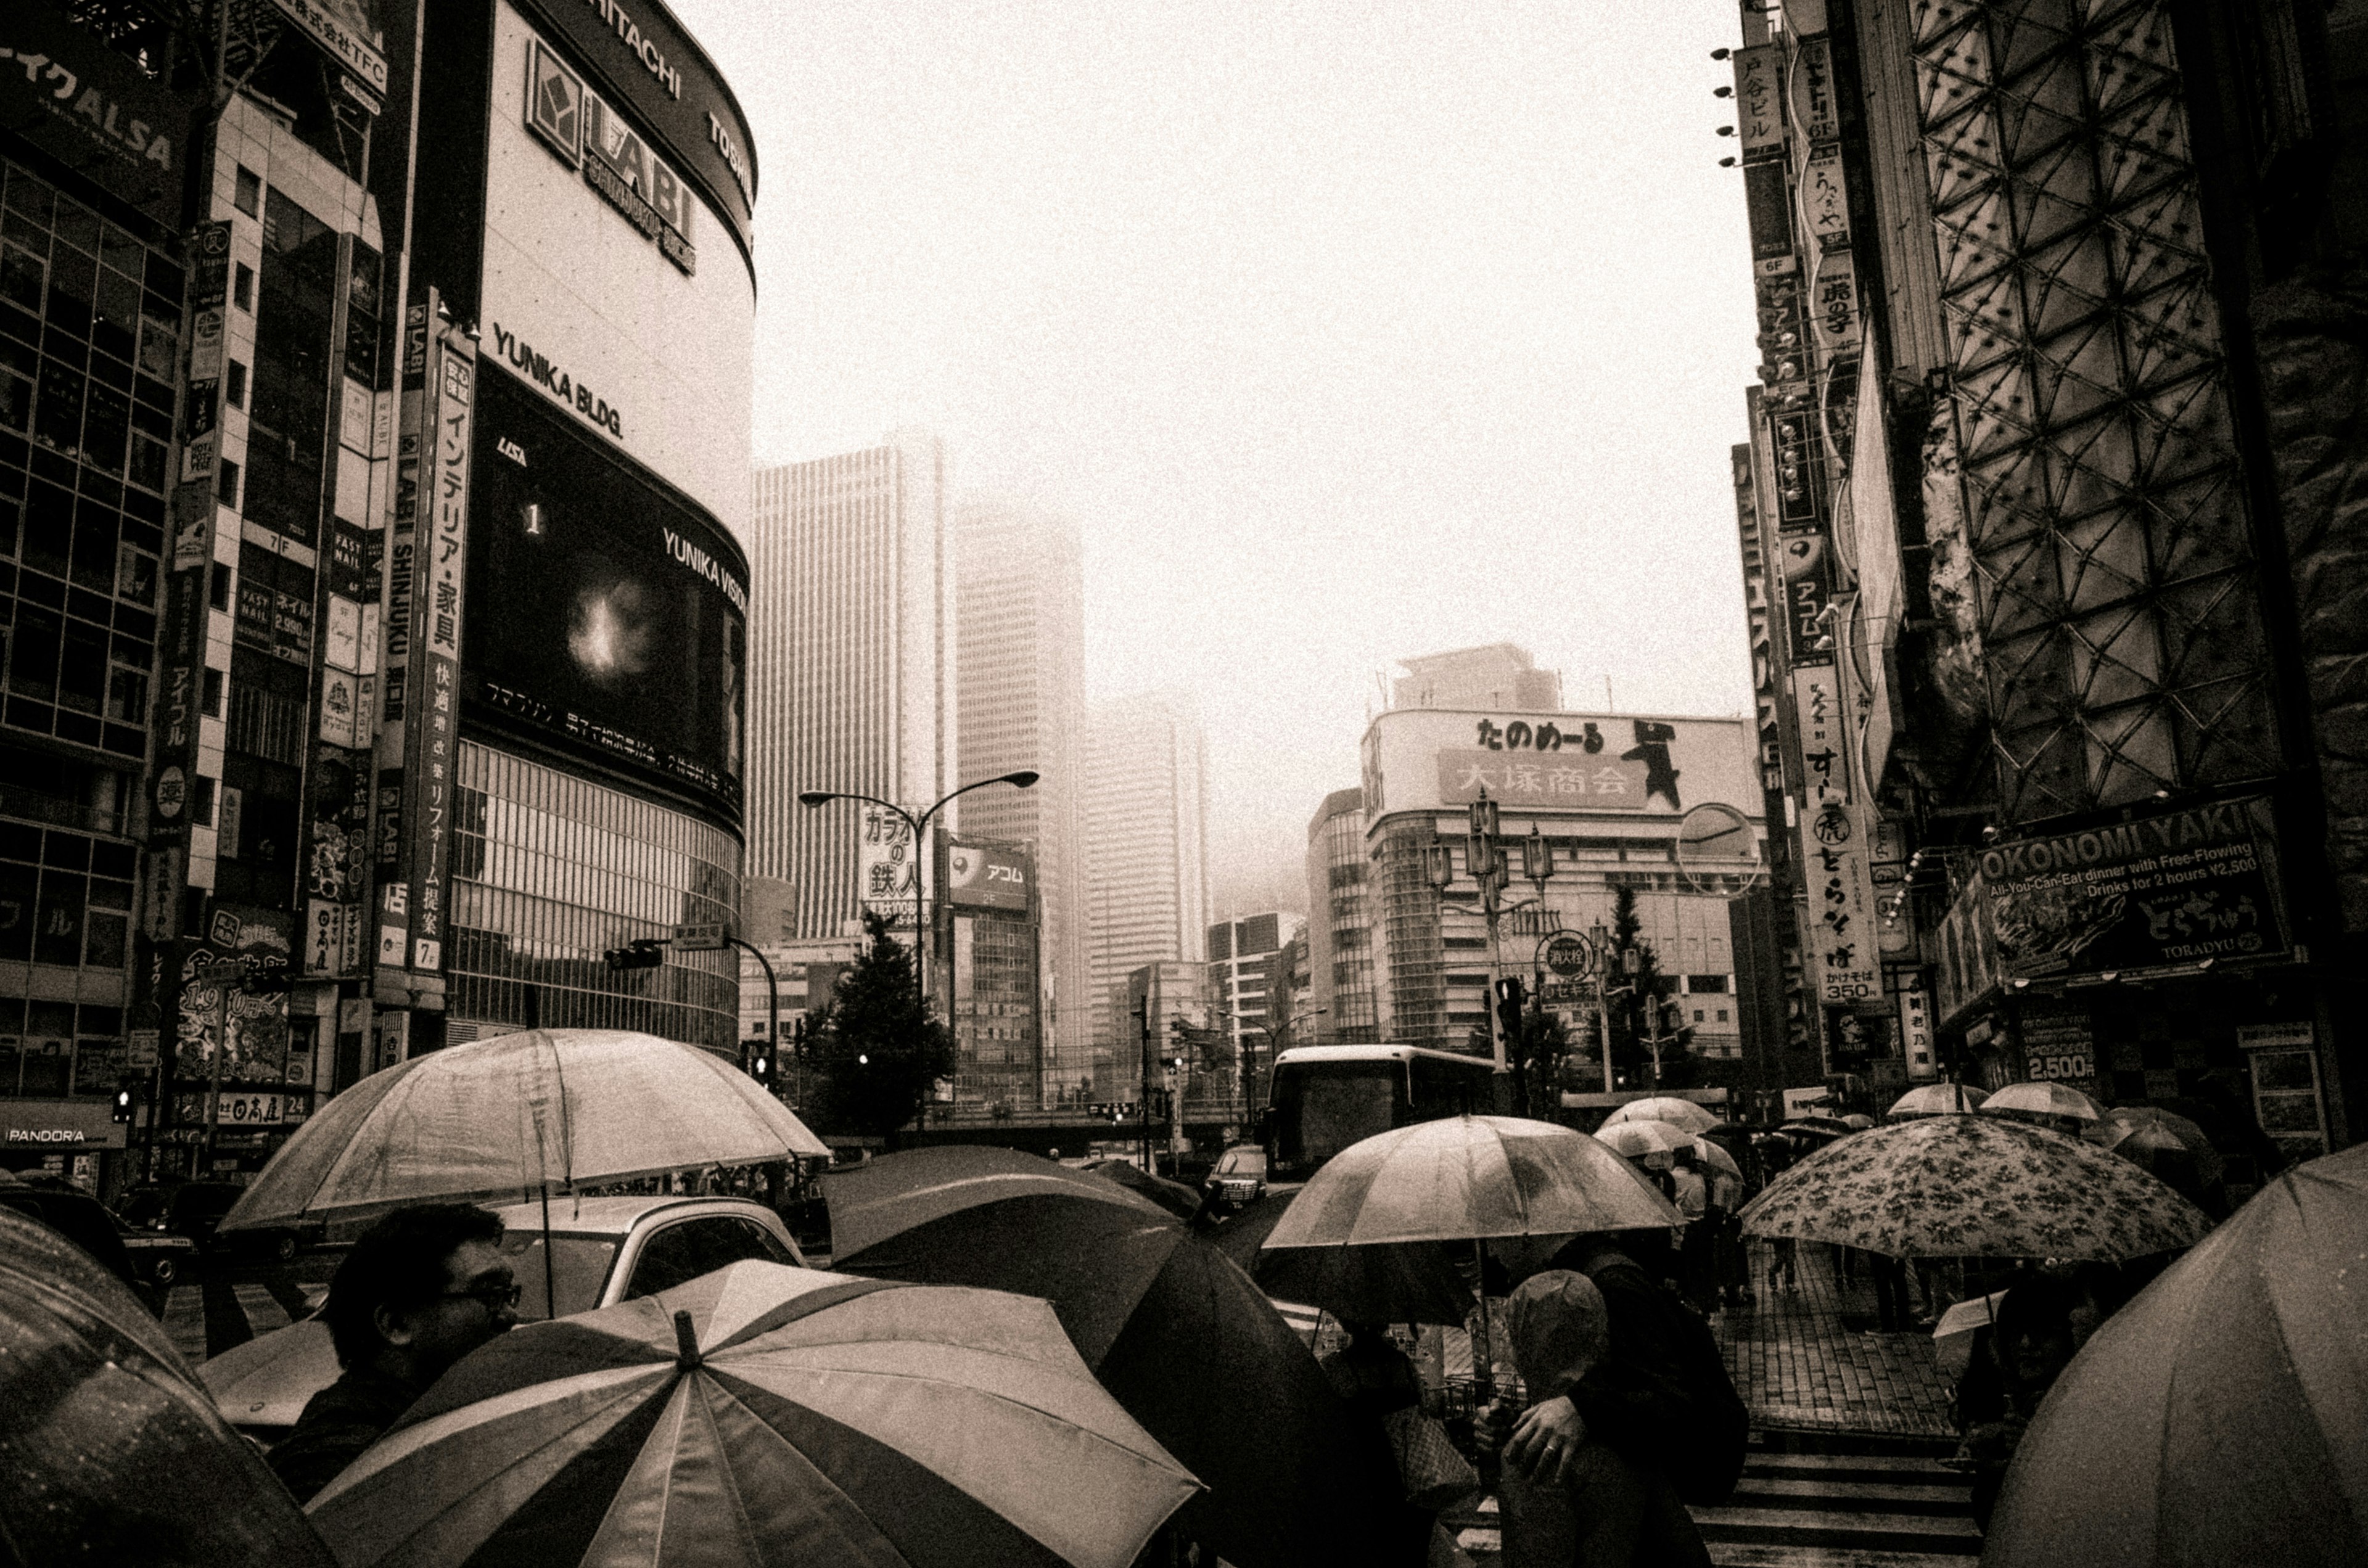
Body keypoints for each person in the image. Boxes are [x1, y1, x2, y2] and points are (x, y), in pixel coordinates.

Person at [268, 1202, 520, 1504]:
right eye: (490, 1295)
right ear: (397, 1324)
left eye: (509, 1294)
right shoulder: (342, 1470)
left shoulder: (442, 1419)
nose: (510, 1316)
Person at [1494, 1233, 1749, 1514]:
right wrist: (1519, 1424)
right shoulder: (1578, 1276)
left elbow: (1670, 1399)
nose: (1492, 1251)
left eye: (1493, 1237)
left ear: (1524, 1237)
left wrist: (1582, 1409)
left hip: (1650, 1495)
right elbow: (1600, 1379)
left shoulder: (1611, 1284)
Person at [1951, 1273, 2081, 1532]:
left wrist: (2037, 1450)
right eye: (2016, 1333)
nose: (2026, 1344)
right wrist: (1996, 1464)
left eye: (2042, 1333)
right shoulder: (2009, 1401)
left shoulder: (2082, 1407)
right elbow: (1991, 1520)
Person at [1668, 1149, 1714, 1315]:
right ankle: (1704, 1305)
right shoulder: (1698, 1177)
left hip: (1684, 1227)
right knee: (1701, 1269)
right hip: (1701, 1227)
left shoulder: (1673, 1177)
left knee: (1686, 1269)